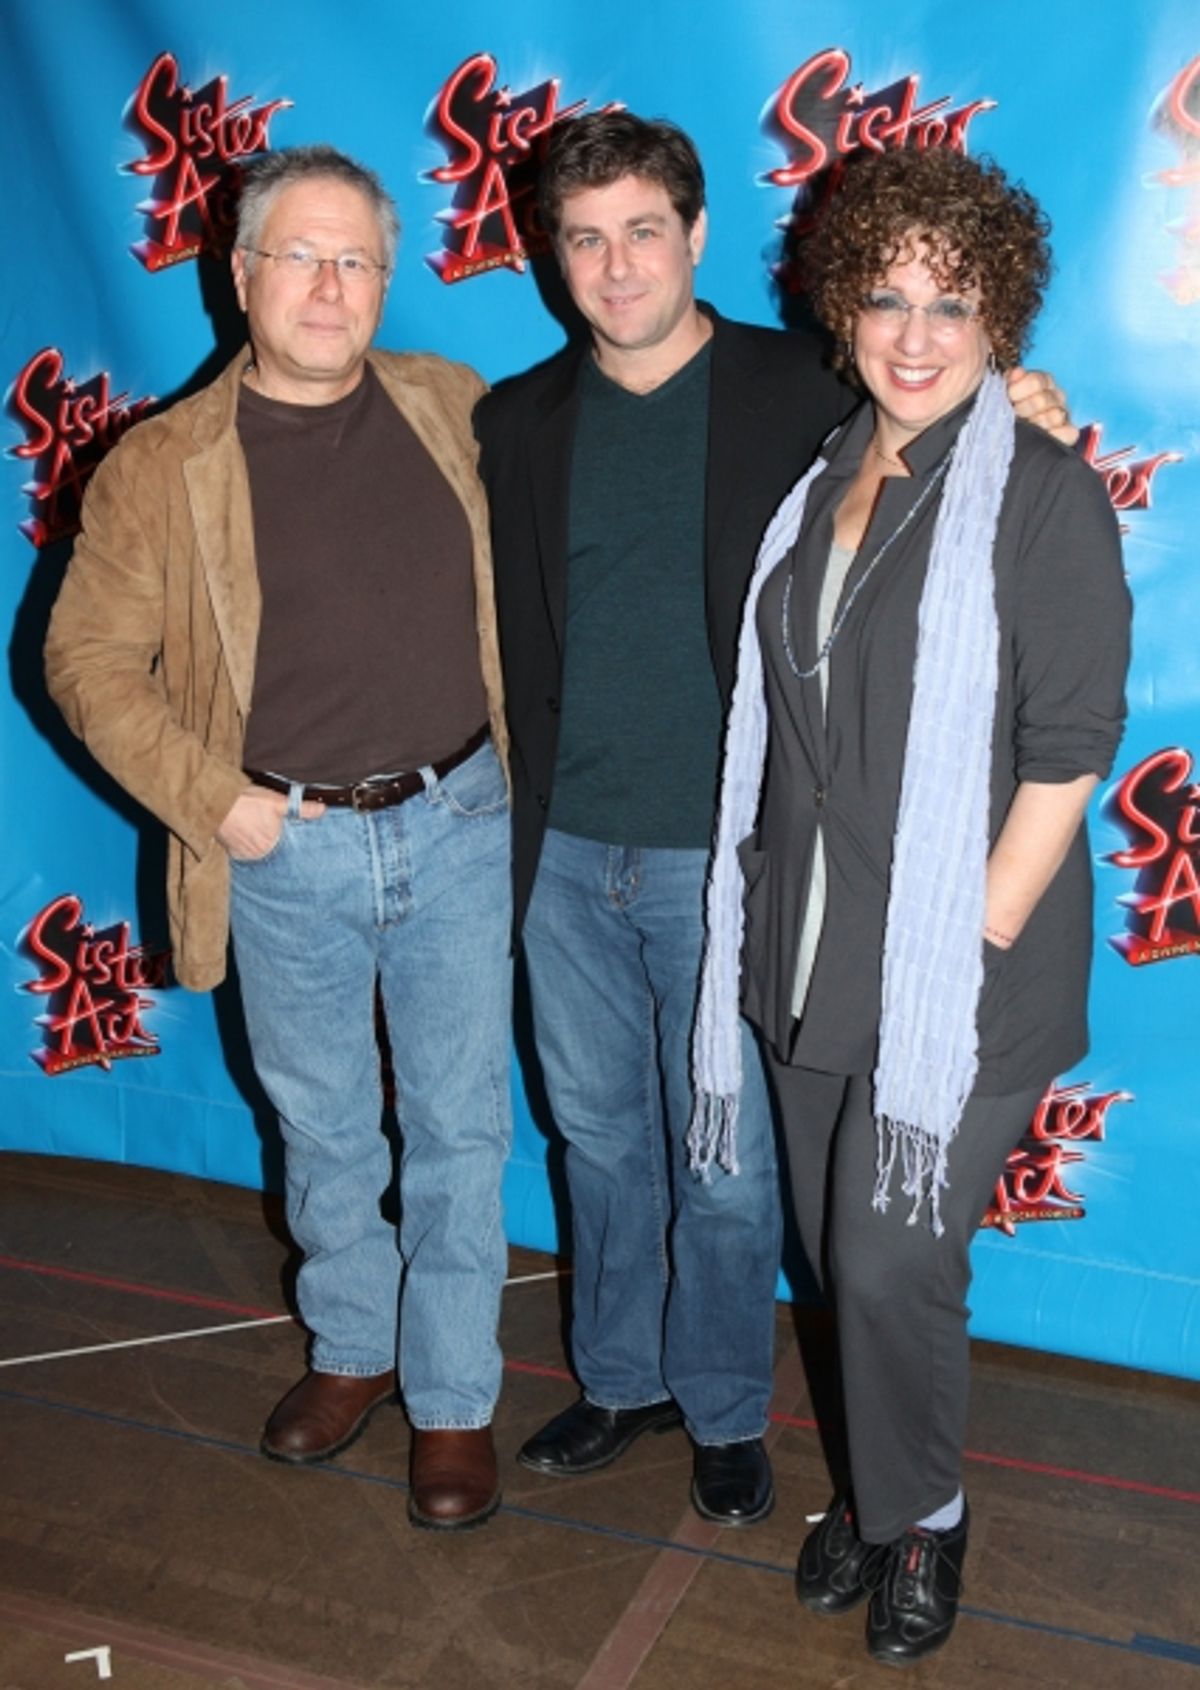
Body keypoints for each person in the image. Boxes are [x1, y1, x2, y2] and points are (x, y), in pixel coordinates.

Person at [475, 111, 1075, 1528]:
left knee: (727, 1161)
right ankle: (621, 1378)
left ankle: (728, 1408)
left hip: (737, 865)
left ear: (694, 236)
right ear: (552, 259)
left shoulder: (810, 389)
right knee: (600, 1143)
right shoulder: (514, 422)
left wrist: (1028, 403)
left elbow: (954, 414)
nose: (616, 264)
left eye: (642, 229)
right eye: (584, 237)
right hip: (561, 854)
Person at [692, 144, 1131, 1661]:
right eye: (886, 294)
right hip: (810, 951)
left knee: (889, 1260)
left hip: (960, 972)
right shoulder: (825, 477)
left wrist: (969, 939)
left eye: (954, 300)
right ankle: (878, 1490)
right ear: (840, 305)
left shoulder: (1039, 488)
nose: (917, 330)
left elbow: (1071, 757)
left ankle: (923, 1514)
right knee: (838, 1251)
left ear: (999, 312)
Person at [45, 145, 513, 1532]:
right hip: (284, 849)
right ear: (240, 274)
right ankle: (355, 1347)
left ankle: (452, 1397)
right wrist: (217, 798)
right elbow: (84, 659)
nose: (329, 284)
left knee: (460, 1128)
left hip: (464, 819)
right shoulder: (160, 467)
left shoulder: (455, 407)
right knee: (321, 1128)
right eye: (300, 256)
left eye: (357, 259)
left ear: (388, 279)